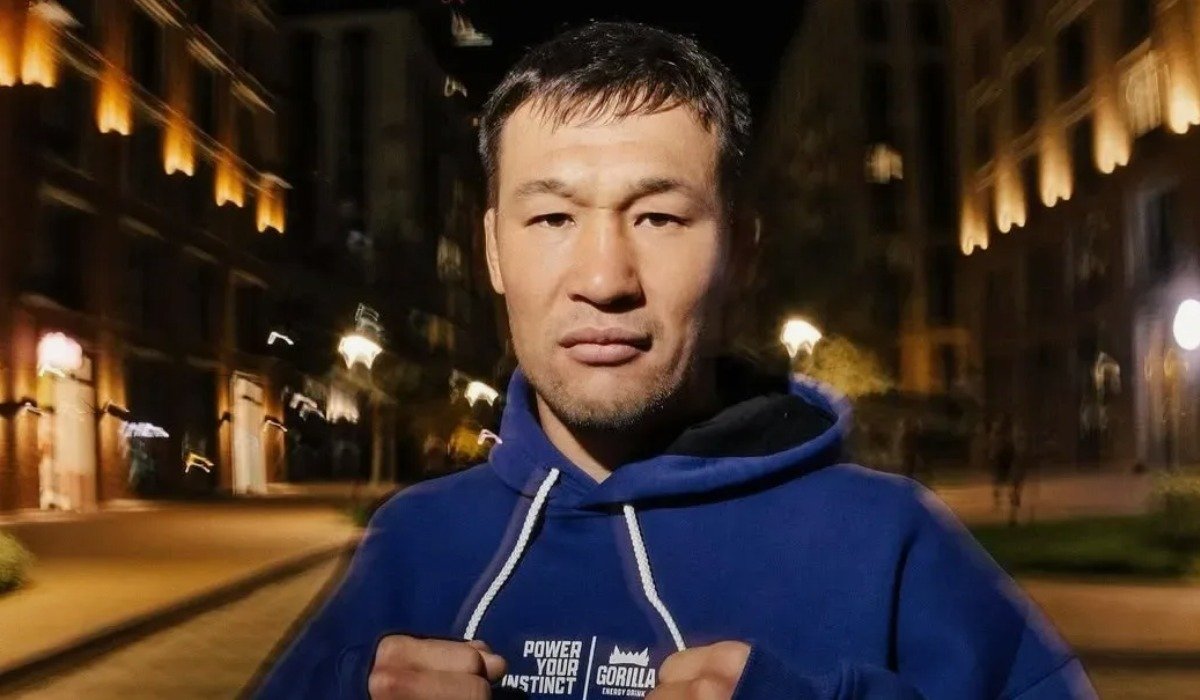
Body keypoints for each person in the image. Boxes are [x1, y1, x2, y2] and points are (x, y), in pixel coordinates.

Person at [258, 22, 1094, 699]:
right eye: (552, 219)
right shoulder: (411, 545)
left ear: (744, 251)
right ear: (493, 251)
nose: (604, 279)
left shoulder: (893, 541)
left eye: (659, 218)